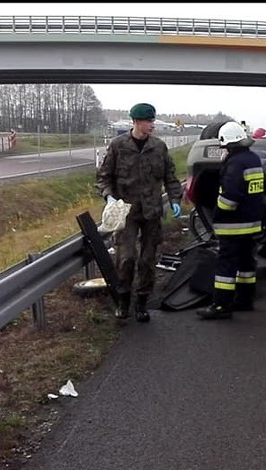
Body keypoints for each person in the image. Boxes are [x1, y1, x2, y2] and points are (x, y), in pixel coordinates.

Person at [96, 102, 183, 323]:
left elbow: (170, 177)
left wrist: (175, 199)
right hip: (126, 213)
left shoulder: (159, 147)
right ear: (136, 122)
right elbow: (103, 176)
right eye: (149, 121)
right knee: (126, 258)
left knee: (147, 260)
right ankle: (123, 301)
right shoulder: (118, 146)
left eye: (153, 120)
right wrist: (108, 195)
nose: (153, 125)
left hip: (152, 212)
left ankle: (142, 302)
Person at [197, 121, 265, 320]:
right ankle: (245, 300)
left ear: (229, 144)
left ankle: (221, 305)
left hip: (233, 225)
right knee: (246, 263)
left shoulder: (235, 164)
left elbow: (230, 197)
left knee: (226, 266)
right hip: (251, 222)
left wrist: (217, 213)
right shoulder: (253, 159)